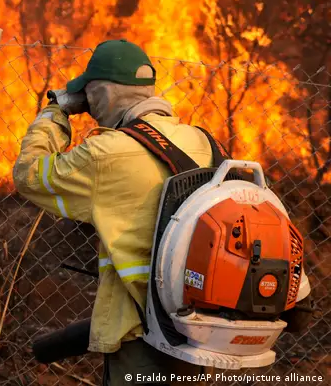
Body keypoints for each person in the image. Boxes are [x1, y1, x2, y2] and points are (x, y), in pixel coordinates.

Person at [12, 39, 210, 385]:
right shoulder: (204, 141)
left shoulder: (104, 153)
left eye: (90, 95)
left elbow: (29, 175)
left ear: (100, 93)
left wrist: (55, 112)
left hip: (141, 328)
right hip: (200, 323)